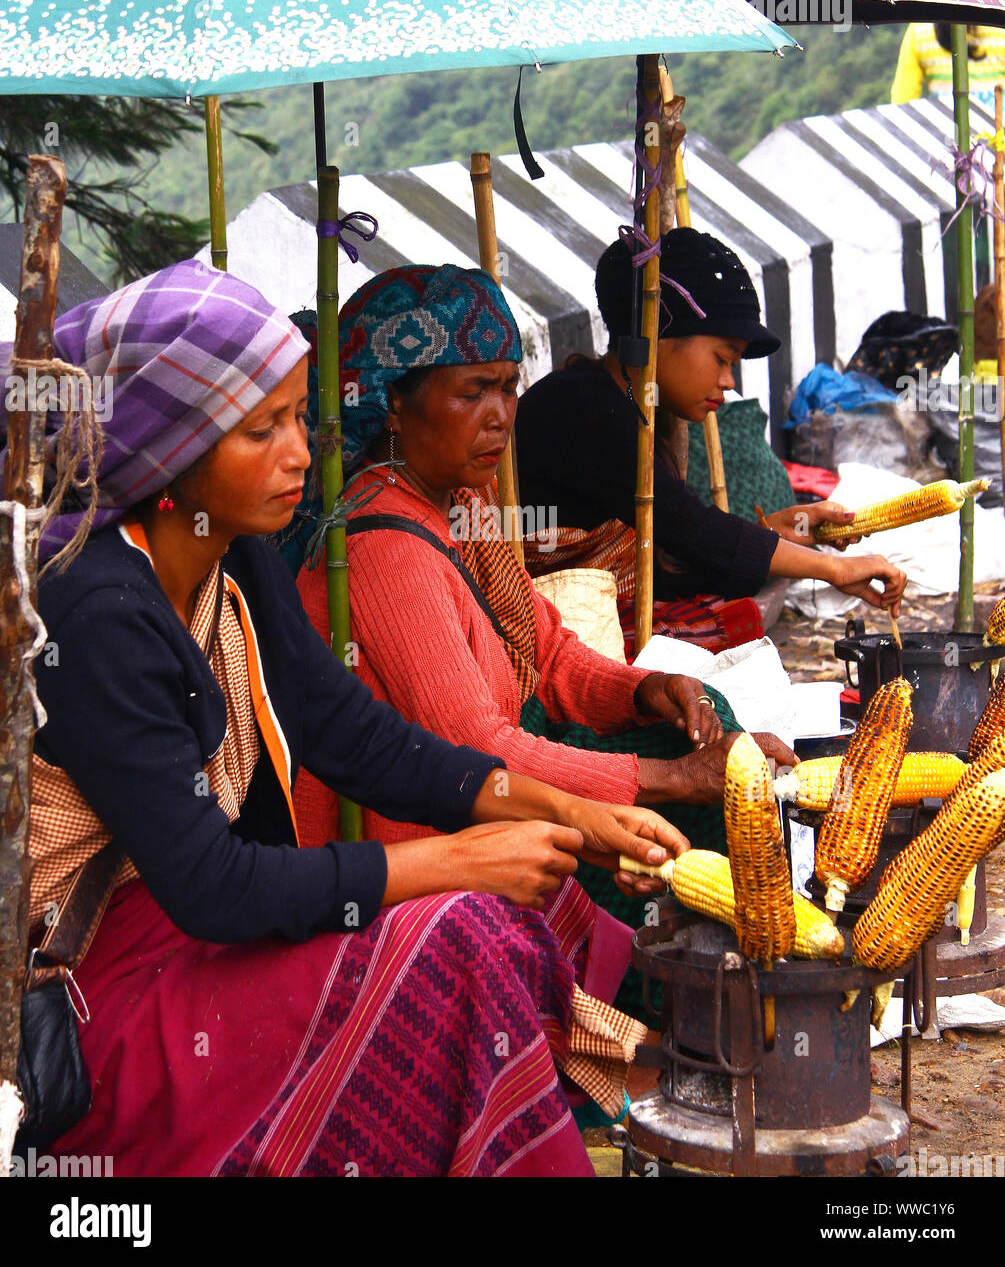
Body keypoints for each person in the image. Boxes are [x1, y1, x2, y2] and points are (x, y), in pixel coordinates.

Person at [14, 258, 696, 1178]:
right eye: (262, 429)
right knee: (459, 931)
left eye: (300, 418)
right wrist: (450, 859)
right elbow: (212, 888)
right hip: (114, 1000)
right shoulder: (93, 611)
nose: (301, 452)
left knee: (484, 920)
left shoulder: (227, 548)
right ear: (166, 447)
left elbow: (349, 733)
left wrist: (560, 810)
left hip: (212, 943)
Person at [293, 264, 797, 1008]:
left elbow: (550, 650)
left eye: (507, 386)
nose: (500, 415)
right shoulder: (382, 546)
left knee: (703, 729)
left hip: (489, 787)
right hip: (420, 845)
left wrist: (646, 689)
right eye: (472, 392)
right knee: (692, 784)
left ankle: (703, 992)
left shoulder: (461, 505)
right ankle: (669, 1007)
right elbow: (478, 752)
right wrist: (662, 781)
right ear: (394, 404)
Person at [513, 228, 907, 640]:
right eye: (722, 359)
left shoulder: (631, 408)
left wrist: (775, 532)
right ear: (659, 334)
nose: (728, 380)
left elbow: (673, 559)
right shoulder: (585, 407)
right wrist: (834, 569)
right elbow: (689, 529)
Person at [890, 0, 1005, 106]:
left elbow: (902, 97)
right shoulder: (999, 21)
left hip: (945, 130)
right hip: (997, 132)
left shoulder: (920, 29)